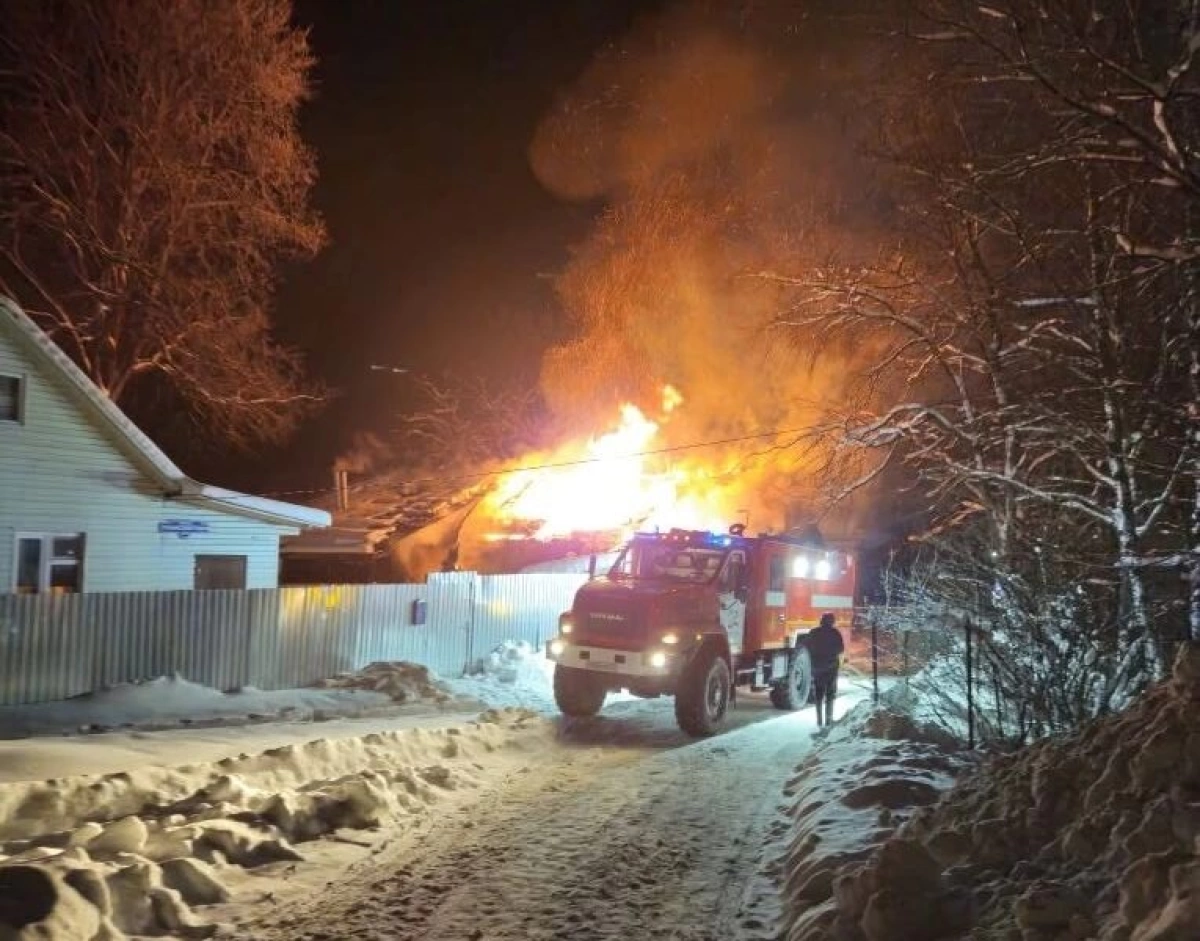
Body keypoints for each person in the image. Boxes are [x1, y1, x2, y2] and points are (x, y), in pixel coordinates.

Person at [808, 612, 845, 727]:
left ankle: (819, 720)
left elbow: (808, 647)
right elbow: (841, 649)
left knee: (819, 694)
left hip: (817, 668)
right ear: (832, 621)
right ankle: (828, 720)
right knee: (830, 694)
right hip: (831, 668)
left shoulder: (814, 632)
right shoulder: (835, 633)